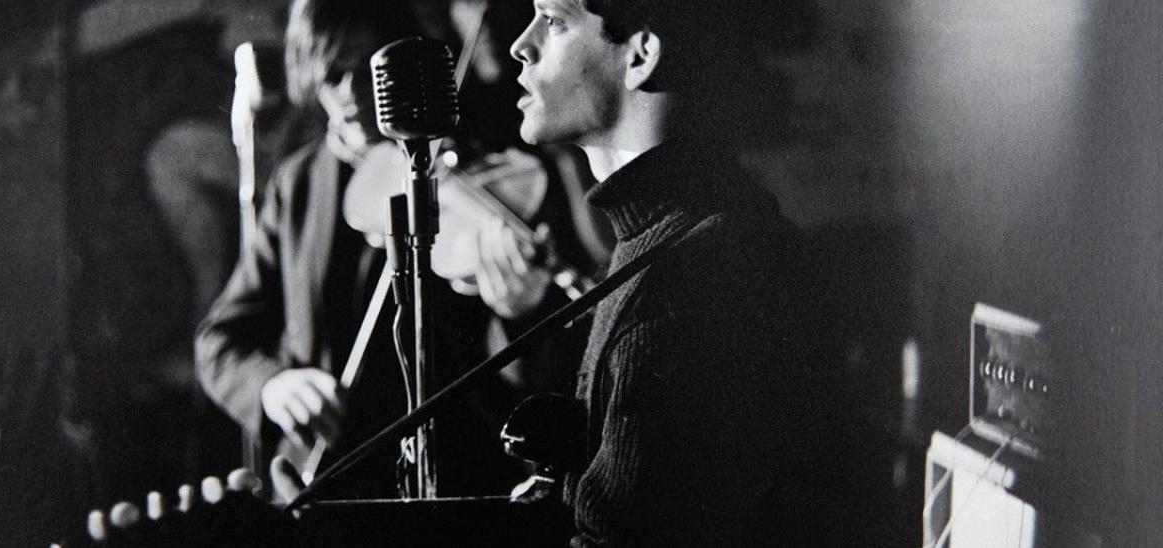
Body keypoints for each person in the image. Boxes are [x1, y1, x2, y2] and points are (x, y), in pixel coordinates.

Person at [195, 0, 604, 500]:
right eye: (331, 75)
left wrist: (519, 314)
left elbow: (522, 385)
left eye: (367, 70)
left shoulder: (456, 170)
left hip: (449, 491)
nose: (349, 94)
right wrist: (272, 386)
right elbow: (220, 340)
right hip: (323, 487)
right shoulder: (297, 184)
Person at [507, 0, 849, 545]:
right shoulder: (671, 234)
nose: (520, 46)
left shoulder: (683, 283)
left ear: (641, 55)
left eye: (552, 22)